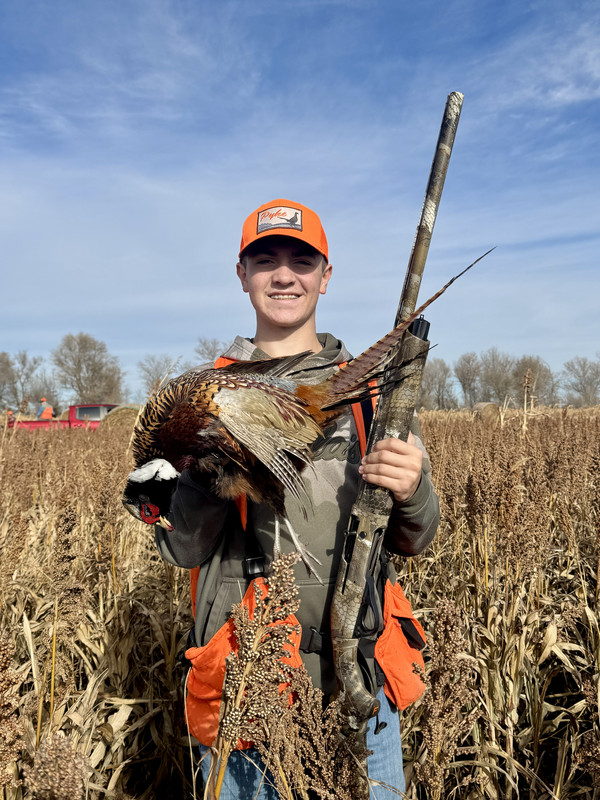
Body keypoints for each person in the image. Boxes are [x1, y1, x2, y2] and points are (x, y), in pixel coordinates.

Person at [155, 199, 440, 797]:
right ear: (242, 275)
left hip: (360, 686)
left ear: (325, 276)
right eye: (265, 260)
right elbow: (181, 548)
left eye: (301, 261)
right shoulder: (200, 399)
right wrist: (212, 464)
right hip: (246, 695)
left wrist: (411, 488)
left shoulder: (372, 395)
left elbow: (415, 538)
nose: (284, 275)